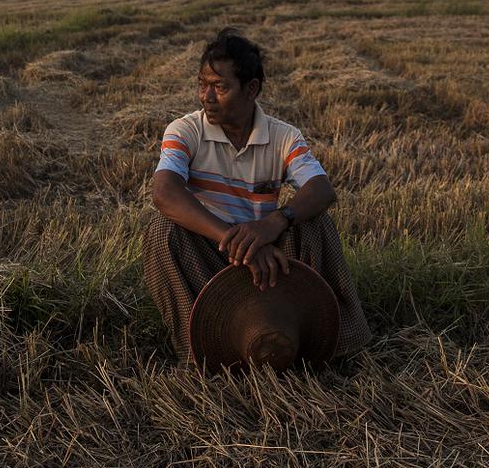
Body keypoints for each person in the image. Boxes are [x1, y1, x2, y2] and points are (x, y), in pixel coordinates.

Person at [142, 28, 371, 361]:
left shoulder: (283, 136)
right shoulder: (185, 130)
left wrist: (273, 224)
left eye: (219, 87)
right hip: (210, 253)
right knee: (162, 230)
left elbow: (321, 189)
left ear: (251, 89)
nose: (206, 97)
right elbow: (164, 191)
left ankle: (327, 340)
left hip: (270, 259)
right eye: (202, 85)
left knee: (315, 224)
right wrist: (240, 244)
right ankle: (200, 351)